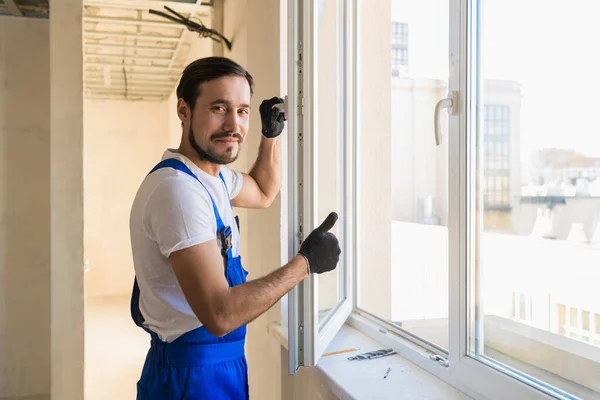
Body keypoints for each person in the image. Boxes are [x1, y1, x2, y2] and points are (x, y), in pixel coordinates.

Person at [129, 56, 341, 399]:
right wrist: (306, 264)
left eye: (242, 111)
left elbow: (262, 191)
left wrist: (270, 136)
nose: (233, 124)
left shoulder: (209, 177)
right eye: (219, 108)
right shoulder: (178, 193)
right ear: (184, 110)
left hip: (216, 366)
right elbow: (220, 314)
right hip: (191, 377)